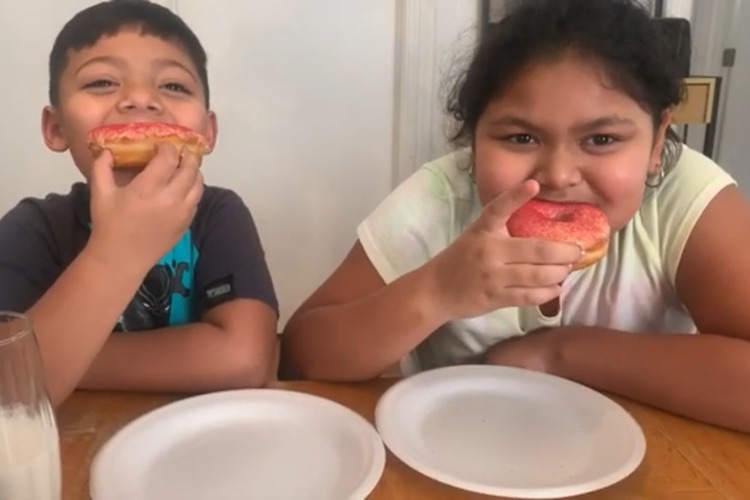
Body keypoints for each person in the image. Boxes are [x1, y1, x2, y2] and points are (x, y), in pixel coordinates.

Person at [281, 0, 750, 433]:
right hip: (460, 446)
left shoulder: (683, 195)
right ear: (473, 140)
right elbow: (302, 358)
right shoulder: (440, 201)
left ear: (655, 142)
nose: (560, 175)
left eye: (602, 139)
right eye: (521, 138)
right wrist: (436, 290)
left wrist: (558, 353)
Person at [0, 0, 279, 407]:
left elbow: (244, 359)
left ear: (207, 131)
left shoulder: (219, 215)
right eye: (101, 82)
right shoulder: (34, 227)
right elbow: (9, 395)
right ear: (55, 127)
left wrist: (57, 361)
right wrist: (114, 254)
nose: (140, 99)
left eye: (173, 86)